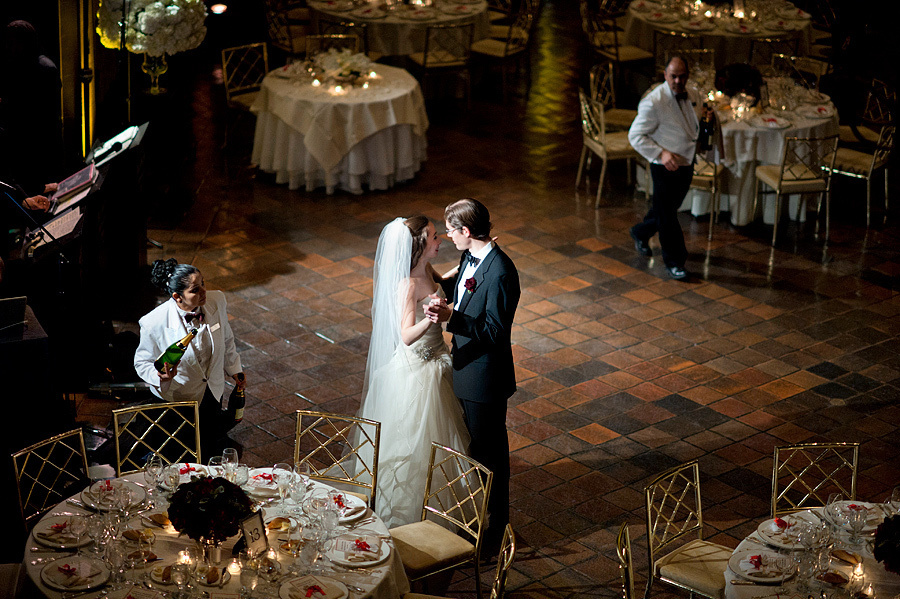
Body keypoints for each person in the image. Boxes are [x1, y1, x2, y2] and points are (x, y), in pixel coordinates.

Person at [357, 216, 470, 529]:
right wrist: (432, 319)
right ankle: (410, 511)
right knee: (418, 442)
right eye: (434, 237)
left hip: (438, 360)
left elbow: (441, 284)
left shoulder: (426, 271)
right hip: (420, 368)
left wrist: (469, 266)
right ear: (420, 246)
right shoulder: (407, 284)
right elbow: (405, 335)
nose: (440, 240)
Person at [424, 198, 520, 550]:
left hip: (485, 379)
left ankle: (496, 532)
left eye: (451, 231)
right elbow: (460, 287)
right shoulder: (472, 256)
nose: (448, 237)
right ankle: (479, 517)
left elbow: (495, 331)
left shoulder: (501, 271)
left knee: (490, 456)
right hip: (465, 367)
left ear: (466, 231)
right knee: (476, 451)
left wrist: (452, 319)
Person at [134, 259, 245, 459]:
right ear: (177, 296)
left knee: (210, 446)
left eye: (203, 283)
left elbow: (227, 339)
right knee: (181, 454)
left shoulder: (216, 301)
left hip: (212, 391)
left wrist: (235, 370)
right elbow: (141, 362)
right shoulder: (153, 322)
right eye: (195, 289)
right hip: (179, 399)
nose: (204, 291)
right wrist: (161, 375)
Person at [628, 56, 701, 281]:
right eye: (673, 76)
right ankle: (675, 261)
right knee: (668, 215)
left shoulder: (695, 95)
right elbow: (635, 136)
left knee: (665, 209)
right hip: (664, 167)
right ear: (665, 75)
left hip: (686, 163)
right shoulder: (654, 101)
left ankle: (640, 232)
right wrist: (661, 153)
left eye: (682, 76)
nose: (678, 81)